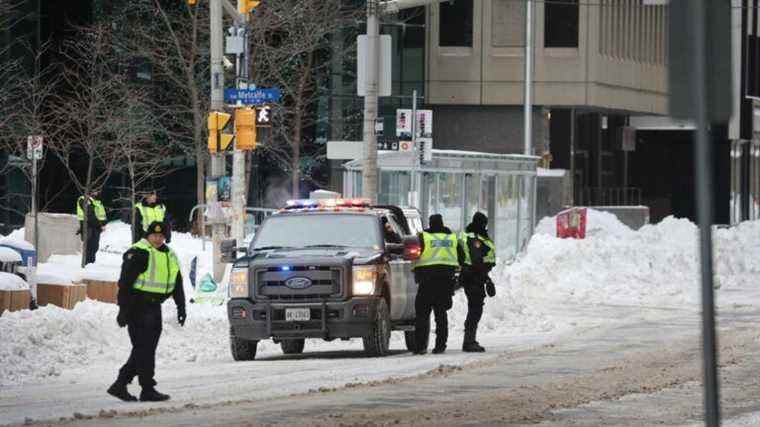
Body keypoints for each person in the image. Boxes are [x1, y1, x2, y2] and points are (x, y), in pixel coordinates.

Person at [108, 221, 186, 402]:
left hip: (154, 307)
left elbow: (177, 283)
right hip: (137, 305)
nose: (158, 239)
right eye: (154, 235)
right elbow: (125, 283)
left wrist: (181, 307)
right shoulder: (139, 252)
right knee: (144, 348)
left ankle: (121, 384)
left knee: (145, 348)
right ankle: (146, 387)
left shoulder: (170, 255)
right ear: (148, 235)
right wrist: (123, 310)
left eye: (161, 236)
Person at [411, 214, 463, 355]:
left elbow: (413, 254)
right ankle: (440, 346)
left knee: (422, 315)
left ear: (430, 223)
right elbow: (462, 257)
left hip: (426, 282)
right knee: (441, 315)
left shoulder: (423, 237)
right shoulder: (452, 238)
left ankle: (420, 346)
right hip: (446, 282)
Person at [460, 212, 497, 352]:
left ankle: (470, 340)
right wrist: (485, 277)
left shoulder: (475, 235)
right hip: (473, 276)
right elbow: (476, 260)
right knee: (475, 310)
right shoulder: (474, 238)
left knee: (475, 309)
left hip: (476, 276)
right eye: (484, 224)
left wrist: (486, 278)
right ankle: (469, 342)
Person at [76, 190, 107, 265]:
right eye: (96, 190)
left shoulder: (96, 201)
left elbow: (101, 214)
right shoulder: (83, 199)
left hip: (96, 227)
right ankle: (86, 264)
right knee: (89, 246)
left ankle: (91, 264)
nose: (97, 192)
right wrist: (100, 225)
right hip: (88, 225)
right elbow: (89, 214)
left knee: (94, 246)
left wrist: (104, 223)